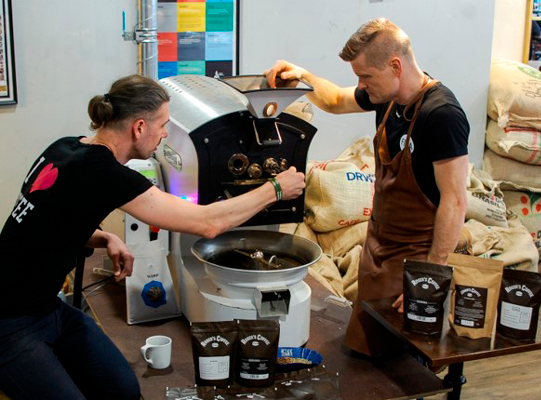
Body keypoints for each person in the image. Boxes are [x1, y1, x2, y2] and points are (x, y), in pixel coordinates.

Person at [0, 74, 305, 399]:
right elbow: (208, 223)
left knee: (123, 389)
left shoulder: (65, 147)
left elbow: (50, 218)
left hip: (46, 307)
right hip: (9, 320)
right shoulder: (106, 174)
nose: (165, 134)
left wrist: (105, 238)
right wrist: (275, 189)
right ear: (139, 127)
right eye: (163, 125)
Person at [265, 18, 469, 357]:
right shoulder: (386, 96)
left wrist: (430, 277)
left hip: (415, 259)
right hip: (377, 248)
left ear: (395, 66)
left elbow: (455, 200)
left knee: (405, 364)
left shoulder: (442, 114)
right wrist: (301, 75)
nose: (360, 85)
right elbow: (334, 100)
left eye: (365, 77)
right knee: (363, 356)